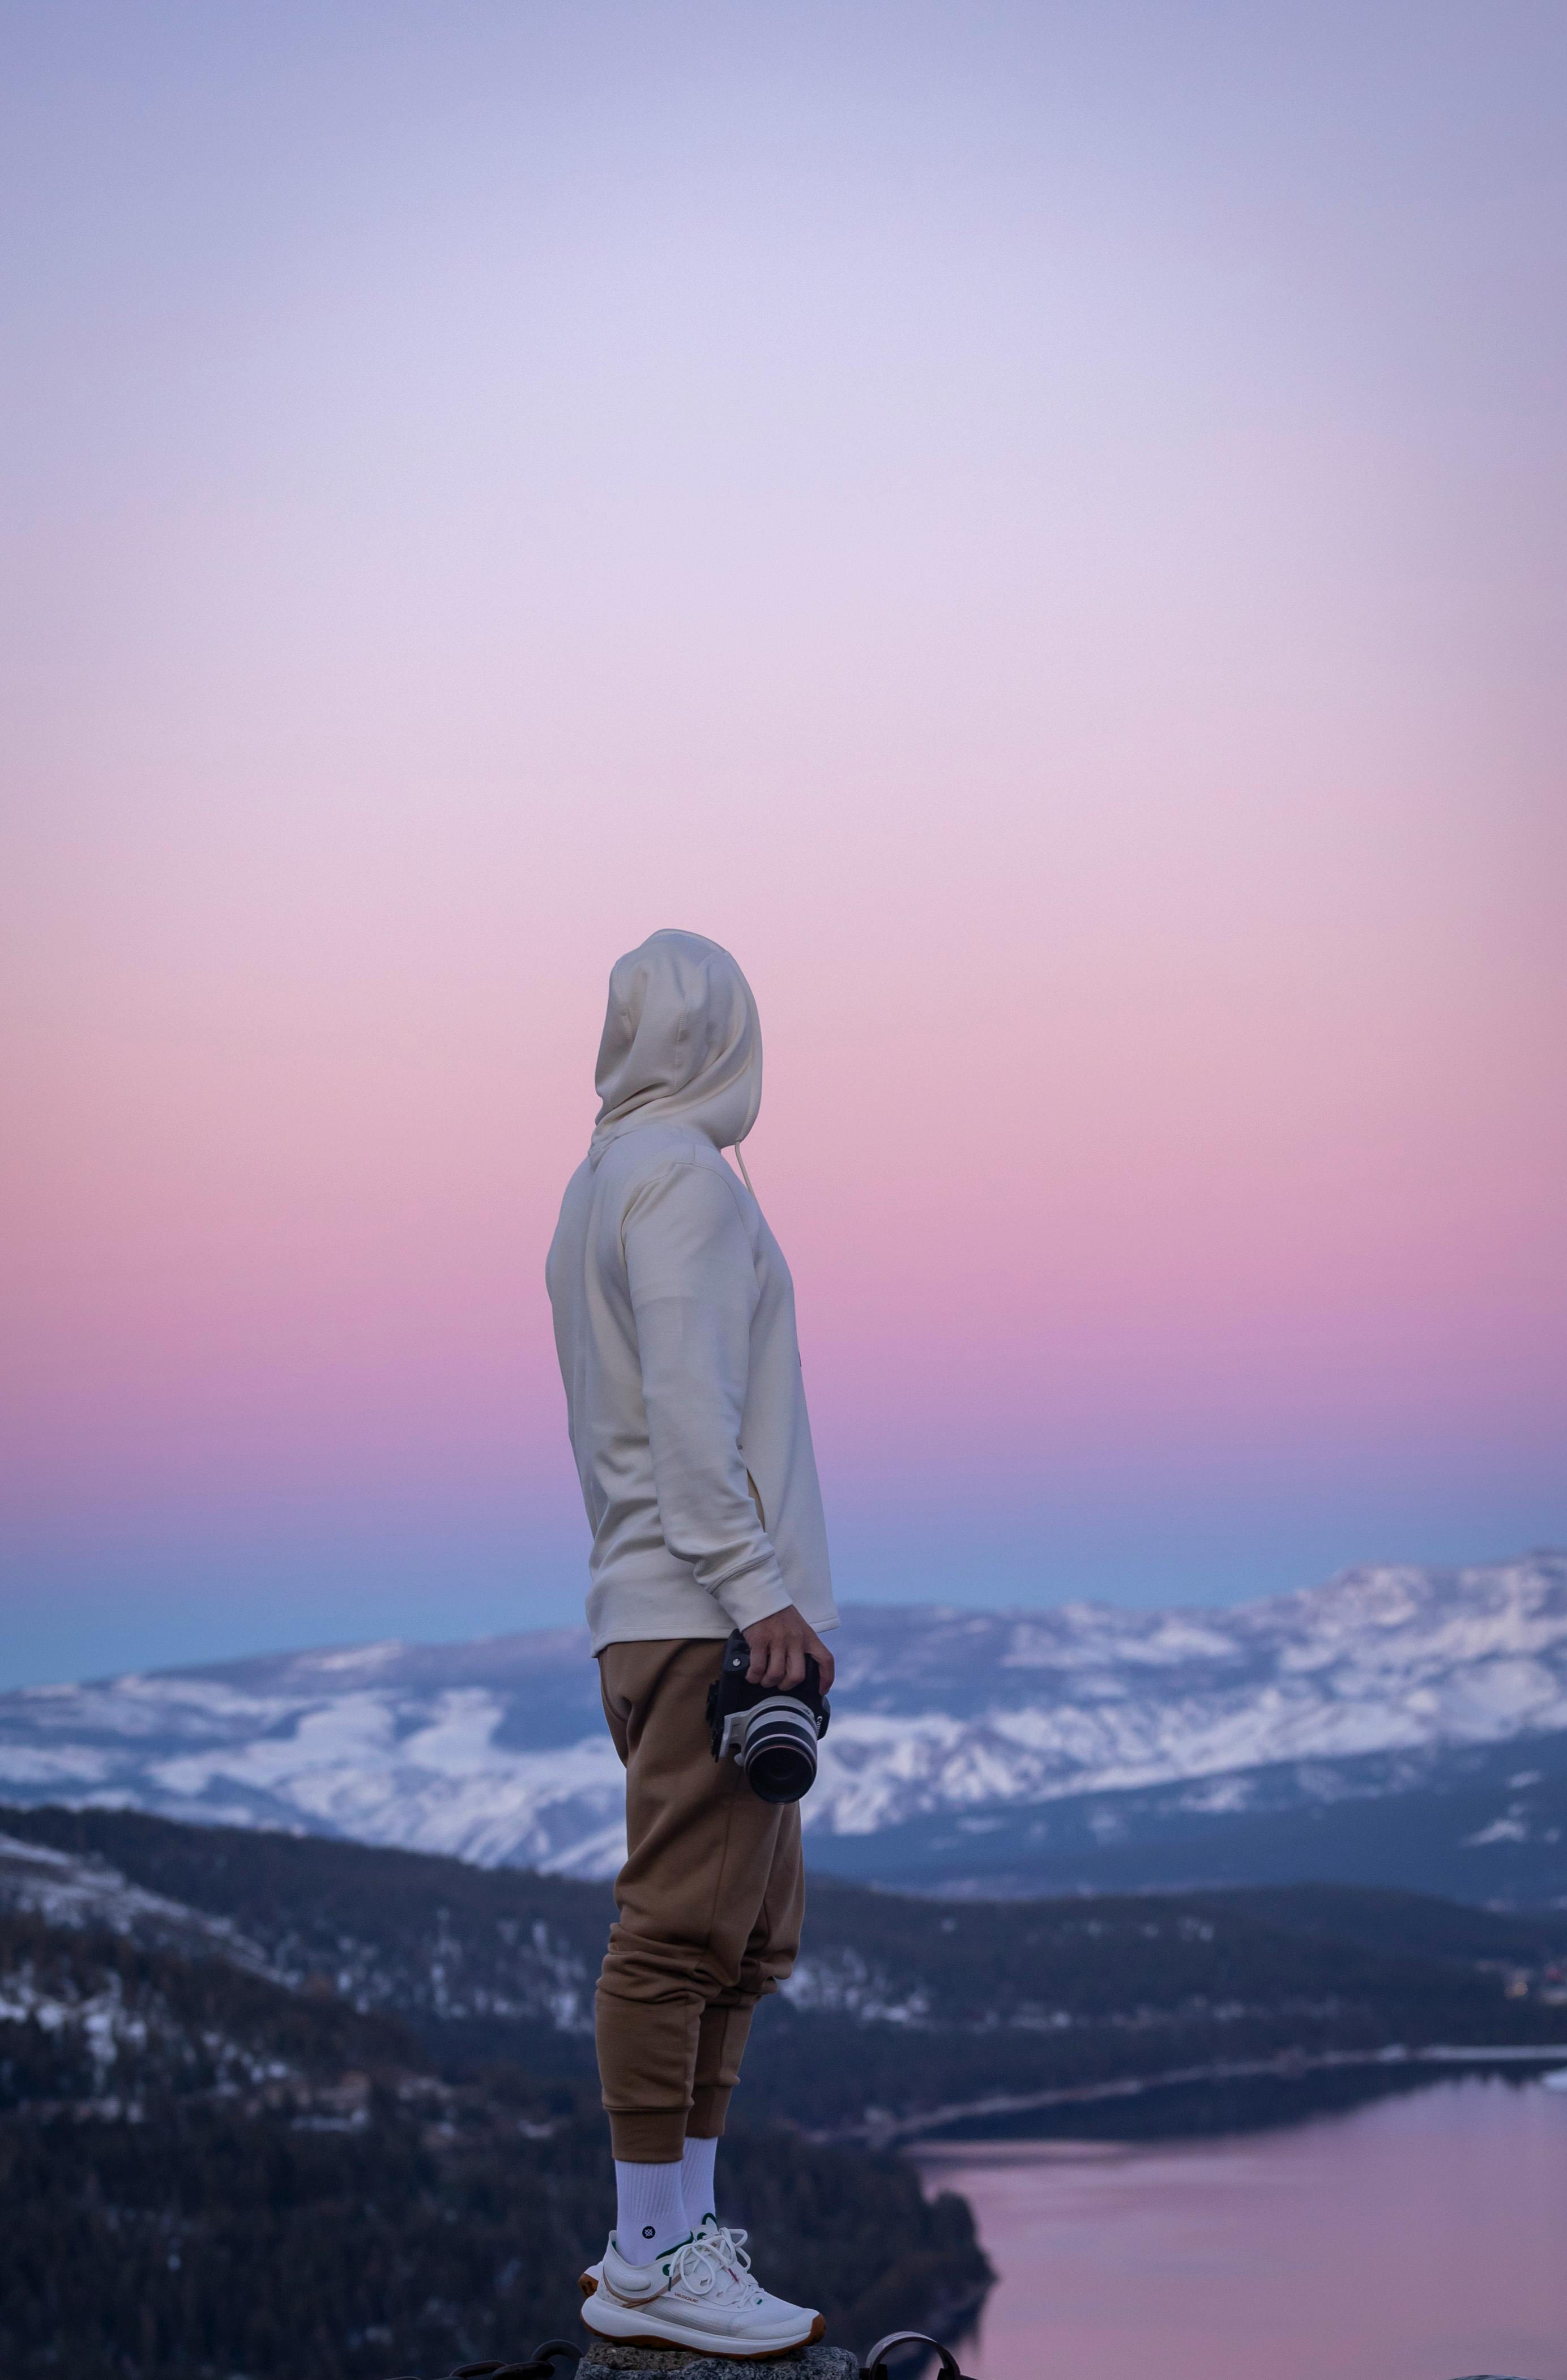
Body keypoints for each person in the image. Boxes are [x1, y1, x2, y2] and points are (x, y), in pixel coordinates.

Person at [546, 928, 840, 2358]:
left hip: (659, 1609)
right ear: (729, 1033)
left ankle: (681, 2235)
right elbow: (685, 1411)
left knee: (741, 1938)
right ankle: (654, 2250)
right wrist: (760, 1590)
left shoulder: (599, 1181)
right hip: (707, 1613)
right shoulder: (683, 1185)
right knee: (678, 1935)